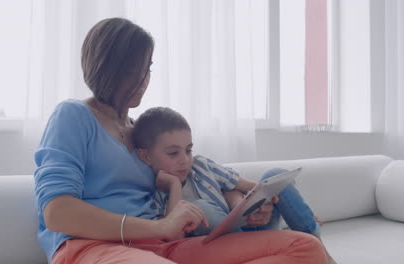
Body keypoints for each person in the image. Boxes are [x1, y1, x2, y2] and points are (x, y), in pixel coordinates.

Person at [34, 17, 328, 264]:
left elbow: (200, 175)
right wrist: (158, 225)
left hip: (163, 246)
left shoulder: (141, 133)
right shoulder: (73, 115)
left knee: (305, 248)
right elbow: (57, 212)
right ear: (106, 68)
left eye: (147, 68)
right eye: (134, 70)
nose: (143, 80)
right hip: (89, 247)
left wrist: (244, 207)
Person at [133, 107, 337, 263]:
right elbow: (172, 238)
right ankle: (286, 245)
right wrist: (174, 187)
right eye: (173, 153)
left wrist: (260, 203)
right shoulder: (152, 194)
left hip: (247, 228)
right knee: (201, 208)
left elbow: (249, 186)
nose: (185, 160)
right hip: (228, 246)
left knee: (274, 174)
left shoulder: (201, 165)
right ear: (145, 155)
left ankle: (318, 247)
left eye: (188, 150)